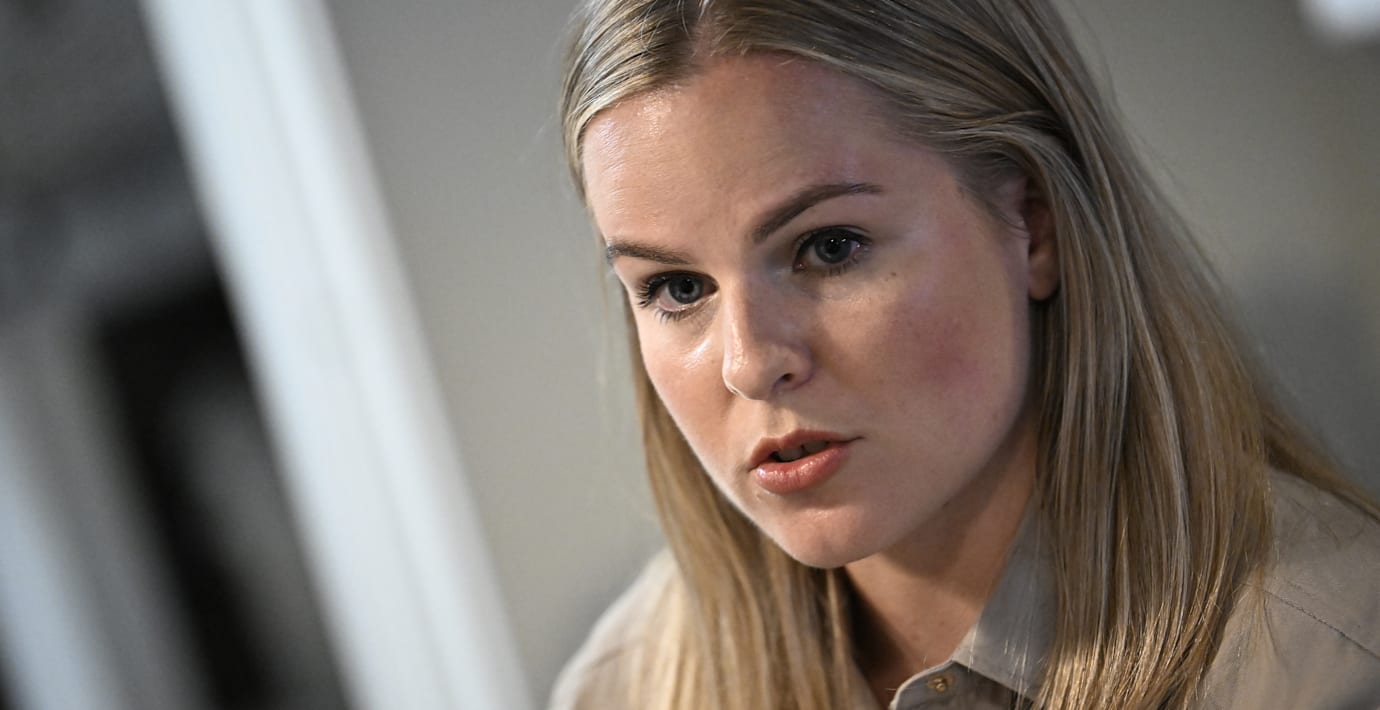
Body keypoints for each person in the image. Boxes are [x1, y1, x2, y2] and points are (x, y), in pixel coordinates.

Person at [550, 1, 1380, 708]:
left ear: (1036, 225)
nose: (750, 363)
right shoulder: (627, 685)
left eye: (830, 247)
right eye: (677, 288)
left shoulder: (1326, 660)